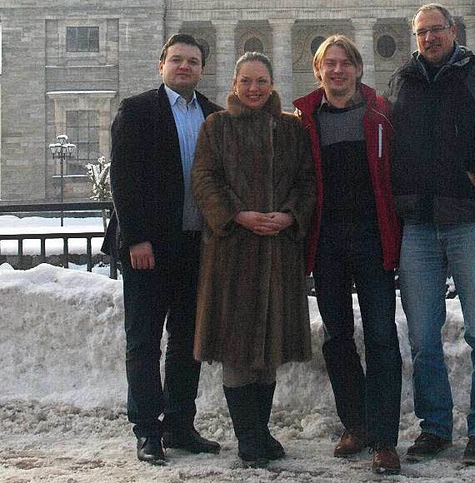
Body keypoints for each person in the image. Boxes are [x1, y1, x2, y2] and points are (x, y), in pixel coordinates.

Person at [385, 4, 475, 465]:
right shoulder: (401, 83)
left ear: (454, 31)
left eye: (436, 30)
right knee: (423, 337)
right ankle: (435, 427)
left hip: (468, 221)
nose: (429, 38)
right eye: (421, 32)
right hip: (419, 226)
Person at [191, 52, 316, 468]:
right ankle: (248, 437)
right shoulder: (217, 127)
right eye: (246, 81)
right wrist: (236, 215)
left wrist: (290, 215)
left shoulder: (291, 128)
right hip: (233, 253)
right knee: (238, 349)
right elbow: (205, 180)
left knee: (270, 349)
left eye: (261, 81)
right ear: (234, 83)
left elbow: (307, 182)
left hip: (279, 251)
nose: (254, 89)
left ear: (272, 82)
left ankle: (259, 431)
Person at [104, 33, 222, 464]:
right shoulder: (137, 111)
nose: (185, 66)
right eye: (177, 60)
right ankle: (147, 429)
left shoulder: (213, 114)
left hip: (195, 247)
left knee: (188, 340)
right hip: (147, 249)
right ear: (162, 65)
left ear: (202, 69)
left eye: (193, 60)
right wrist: (135, 238)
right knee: (144, 341)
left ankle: (179, 423)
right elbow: (124, 178)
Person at [293, 35, 403, 476]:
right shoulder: (305, 121)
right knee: (337, 338)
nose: (337, 71)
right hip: (327, 244)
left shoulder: (380, 115)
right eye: (328, 64)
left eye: (344, 63)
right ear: (318, 71)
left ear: (358, 69)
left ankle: (384, 438)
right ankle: (354, 424)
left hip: (374, 240)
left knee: (381, 337)